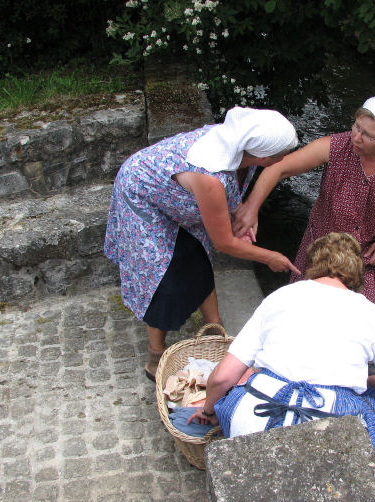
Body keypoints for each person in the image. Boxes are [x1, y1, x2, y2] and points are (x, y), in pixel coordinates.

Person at [104, 107, 301, 381]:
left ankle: (215, 331)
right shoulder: (210, 176)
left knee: (197, 260)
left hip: (175, 197)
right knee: (163, 280)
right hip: (142, 196)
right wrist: (269, 257)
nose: (286, 158)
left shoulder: (239, 148)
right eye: (282, 153)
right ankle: (155, 356)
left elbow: (229, 203)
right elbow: (224, 243)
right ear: (263, 155)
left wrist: (242, 212)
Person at [187, 232, 375, 462]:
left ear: (313, 265)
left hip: (256, 416)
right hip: (330, 426)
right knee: (374, 406)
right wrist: (363, 383)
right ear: (356, 272)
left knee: (245, 384)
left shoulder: (280, 297)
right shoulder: (372, 314)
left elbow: (222, 378)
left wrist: (208, 411)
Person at [232, 93, 375, 303]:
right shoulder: (336, 147)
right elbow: (278, 168)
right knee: (302, 311)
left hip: (366, 260)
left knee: (349, 324)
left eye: (368, 135)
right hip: (319, 254)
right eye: (357, 126)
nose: (357, 136)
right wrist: (252, 207)